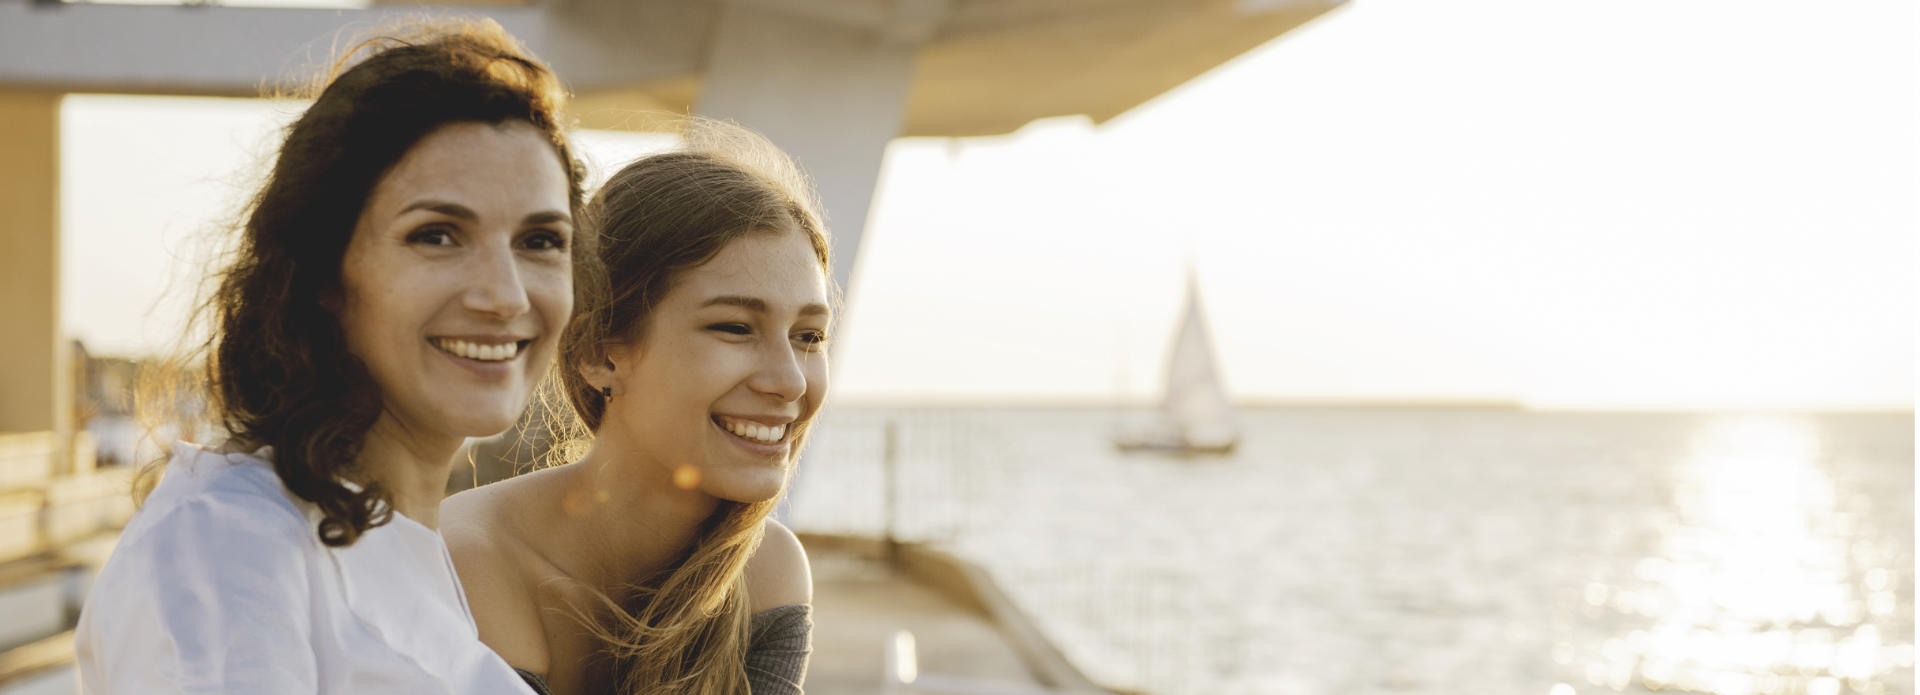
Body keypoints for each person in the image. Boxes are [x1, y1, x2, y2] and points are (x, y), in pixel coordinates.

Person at [75, 19, 589, 695]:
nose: (504, 293)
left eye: (542, 240)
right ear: (323, 273)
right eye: (437, 235)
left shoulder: (399, 548)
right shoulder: (230, 543)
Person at [443, 121, 830, 695]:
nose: (789, 381)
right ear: (601, 350)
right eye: (734, 327)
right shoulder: (467, 560)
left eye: (809, 337)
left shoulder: (764, 568)